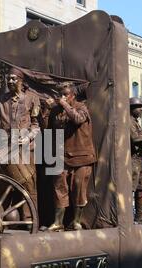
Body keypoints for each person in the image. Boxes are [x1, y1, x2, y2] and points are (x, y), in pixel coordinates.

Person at [0, 67, 40, 220]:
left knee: (29, 185)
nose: (10, 81)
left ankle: (30, 220)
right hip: (5, 148)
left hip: (25, 149)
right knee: (3, 185)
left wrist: (28, 137)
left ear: (21, 81)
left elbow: (36, 125)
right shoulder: (1, 100)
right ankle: (0, 219)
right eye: (8, 79)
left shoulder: (31, 98)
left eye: (13, 79)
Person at [47, 83, 96, 231]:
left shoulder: (82, 107)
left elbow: (78, 119)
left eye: (65, 94)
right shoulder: (55, 111)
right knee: (59, 189)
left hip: (82, 156)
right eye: (60, 94)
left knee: (79, 189)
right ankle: (58, 222)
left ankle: (76, 221)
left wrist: (63, 104)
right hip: (61, 156)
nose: (62, 97)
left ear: (72, 95)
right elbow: (49, 132)